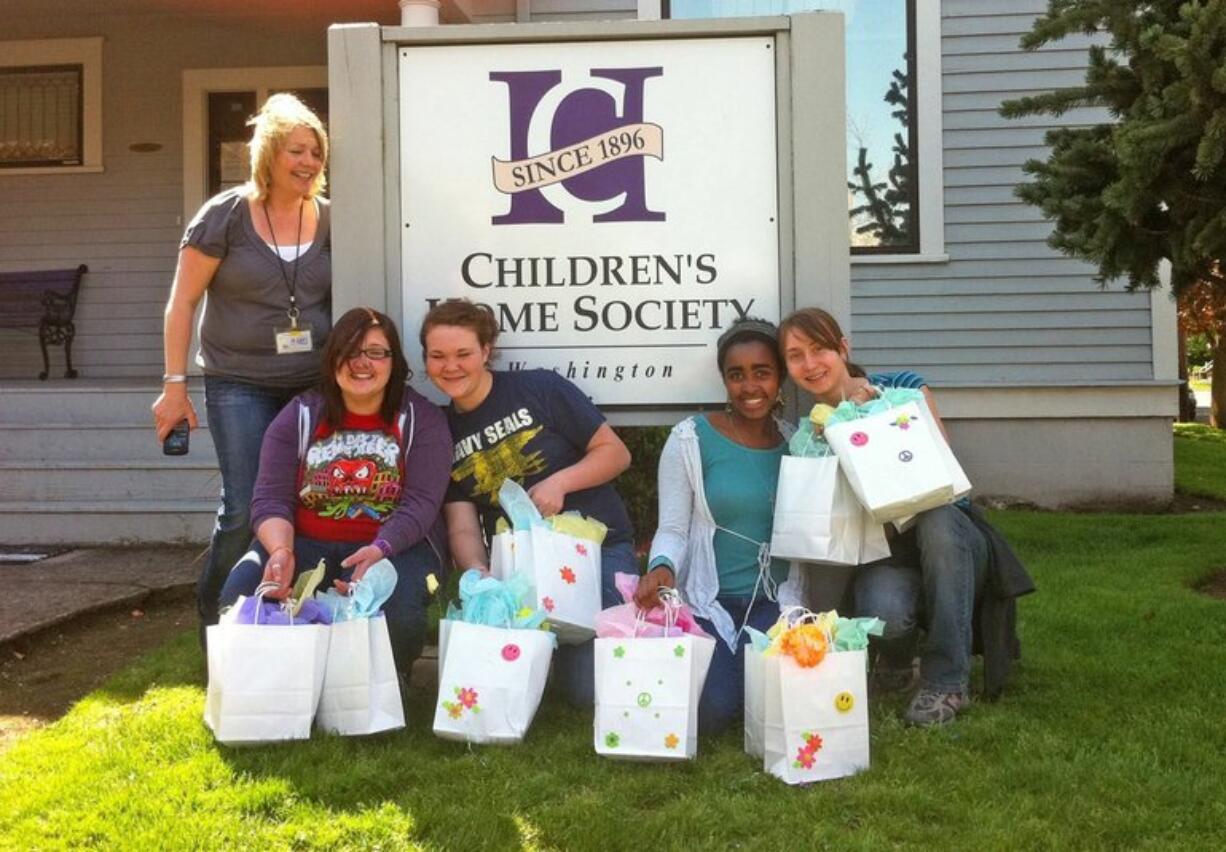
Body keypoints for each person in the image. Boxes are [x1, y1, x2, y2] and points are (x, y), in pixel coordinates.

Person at [777, 307, 1033, 726]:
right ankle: (897, 663)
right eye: (795, 355)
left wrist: (863, 415)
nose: (810, 364)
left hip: (952, 539)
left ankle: (946, 683)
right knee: (886, 613)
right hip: (890, 555)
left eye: (819, 348)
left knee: (935, 520)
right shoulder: (810, 434)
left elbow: (941, 478)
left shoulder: (903, 388)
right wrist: (831, 435)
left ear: (843, 349)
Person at [152, 94, 332, 639]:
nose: (308, 162)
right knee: (246, 506)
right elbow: (182, 302)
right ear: (269, 155)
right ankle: (215, 616)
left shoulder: (332, 219)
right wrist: (174, 386)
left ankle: (288, 612)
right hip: (240, 384)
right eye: (296, 150)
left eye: (316, 152)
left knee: (311, 501)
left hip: (313, 384)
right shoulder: (225, 215)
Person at [419, 299, 636, 706]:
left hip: (595, 552)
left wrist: (560, 483)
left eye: (464, 353)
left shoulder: (539, 388)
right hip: (519, 571)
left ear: (486, 351)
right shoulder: (440, 432)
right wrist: (479, 574)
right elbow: (462, 525)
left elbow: (615, 453)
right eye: (438, 356)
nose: (451, 366)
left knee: (587, 691)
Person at [218, 307, 451, 682]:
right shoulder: (301, 415)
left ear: (394, 362)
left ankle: (388, 685)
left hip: (395, 546)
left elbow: (421, 503)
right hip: (307, 542)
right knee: (241, 591)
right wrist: (281, 551)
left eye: (376, 352)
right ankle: (274, 684)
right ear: (332, 359)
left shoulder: (421, 419)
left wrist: (381, 550)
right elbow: (270, 498)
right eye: (350, 350)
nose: (362, 362)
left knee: (398, 612)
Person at [635, 318, 804, 735]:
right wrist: (661, 566)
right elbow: (673, 527)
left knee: (774, 703)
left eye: (762, 373)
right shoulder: (691, 439)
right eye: (737, 375)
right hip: (708, 599)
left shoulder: (798, 443)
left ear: (779, 376)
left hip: (774, 602)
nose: (750, 387)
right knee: (714, 710)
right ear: (725, 380)